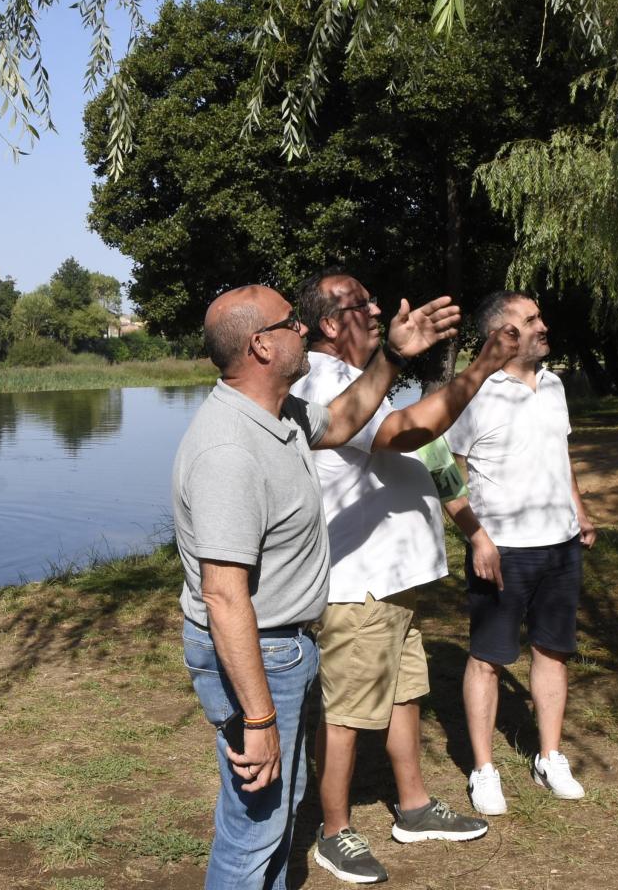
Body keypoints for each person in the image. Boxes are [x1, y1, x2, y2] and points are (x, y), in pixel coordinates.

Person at [174, 283, 460, 890]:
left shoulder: (281, 416)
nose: (302, 329)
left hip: (284, 645)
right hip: (258, 651)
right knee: (254, 826)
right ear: (260, 346)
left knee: (279, 811)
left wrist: (395, 357)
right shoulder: (230, 448)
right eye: (289, 323)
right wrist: (257, 718)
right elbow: (223, 597)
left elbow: (350, 416)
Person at [290, 271, 519, 883]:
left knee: (402, 694)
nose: (376, 307)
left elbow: (428, 450)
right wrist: (482, 368)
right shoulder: (324, 381)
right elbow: (407, 434)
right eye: (359, 303)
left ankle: (413, 806)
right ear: (331, 325)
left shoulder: (363, 379)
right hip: (356, 585)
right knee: (346, 713)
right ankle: (333, 832)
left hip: (391, 582)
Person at [445, 292, 598, 807]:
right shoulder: (474, 394)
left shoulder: (554, 384)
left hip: (559, 545)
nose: (542, 325)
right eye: (529, 320)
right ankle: (483, 769)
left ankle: (549, 757)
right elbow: (445, 472)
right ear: (501, 336)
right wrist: (477, 536)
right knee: (488, 658)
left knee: (553, 650)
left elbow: (561, 454)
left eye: (538, 317)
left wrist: (578, 509)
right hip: (502, 550)